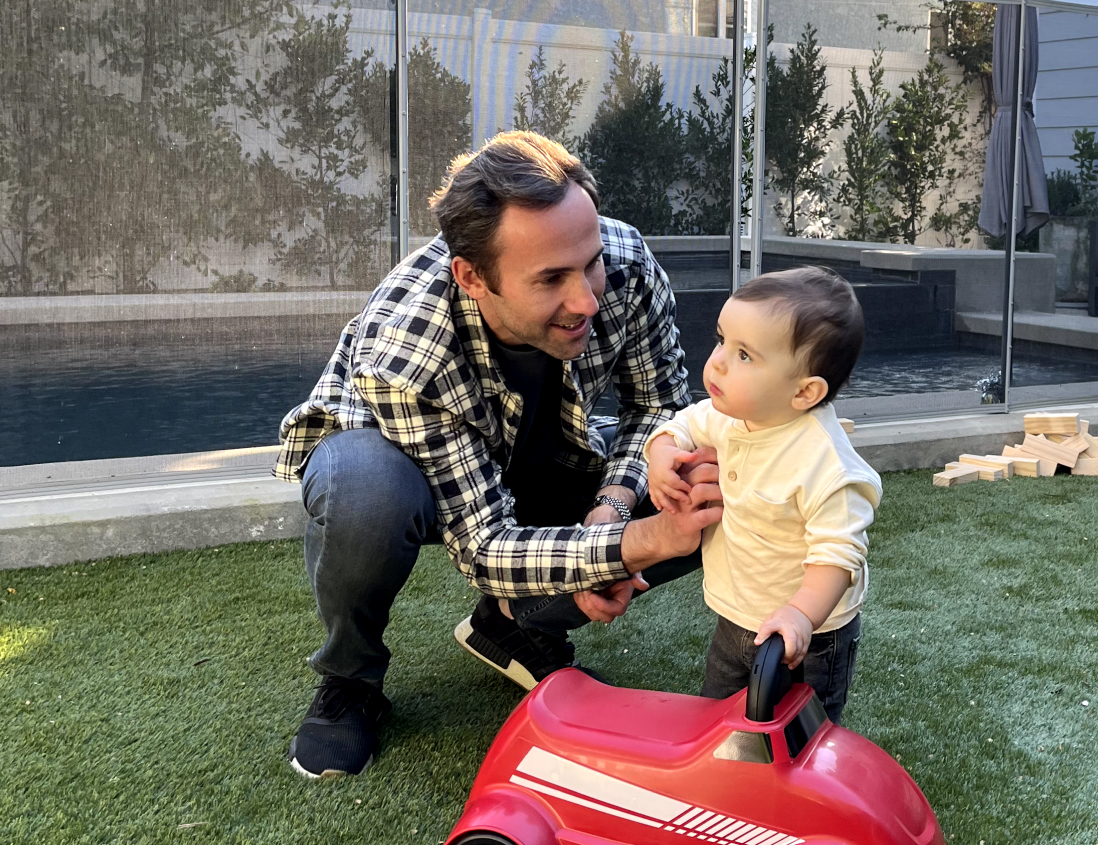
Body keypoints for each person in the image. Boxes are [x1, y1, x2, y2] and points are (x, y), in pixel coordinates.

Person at [273, 131, 722, 779]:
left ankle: (515, 625)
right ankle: (351, 677)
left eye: (588, 262)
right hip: (409, 465)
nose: (588, 300)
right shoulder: (404, 348)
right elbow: (483, 547)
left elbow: (658, 408)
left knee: (705, 475)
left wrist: (614, 504)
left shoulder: (624, 262)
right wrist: (635, 542)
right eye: (551, 280)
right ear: (473, 277)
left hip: (550, 450)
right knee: (366, 490)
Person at [645, 267, 881, 724]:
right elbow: (679, 425)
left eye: (745, 356)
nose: (717, 363)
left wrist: (800, 617)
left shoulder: (825, 465)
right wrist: (661, 455)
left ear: (804, 392)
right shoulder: (729, 414)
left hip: (809, 637)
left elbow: (838, 556)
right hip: (737, 613)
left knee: (802, 733)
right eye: (721, 340)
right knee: (720, 718)